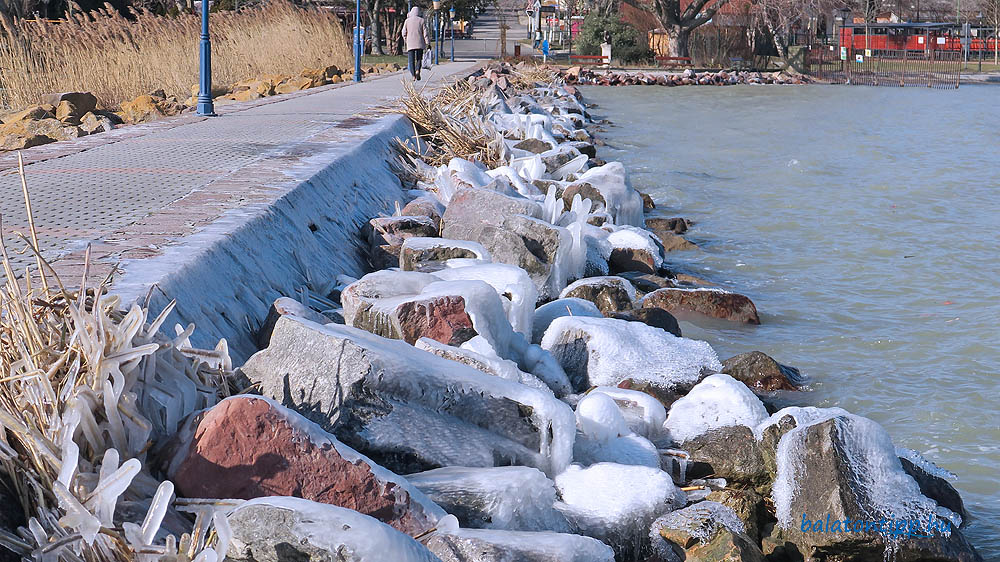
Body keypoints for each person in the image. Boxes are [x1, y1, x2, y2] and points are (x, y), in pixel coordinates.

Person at [402, 6, 431, 80]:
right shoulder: (421, 20)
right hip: (420, 43)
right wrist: (428, 43)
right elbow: (425, 33)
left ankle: (413, 75)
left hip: (410, 43)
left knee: (411, 60)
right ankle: (418, 70)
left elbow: (403, 32)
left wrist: (406, 40)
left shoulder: (407, 21)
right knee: (419, 59)